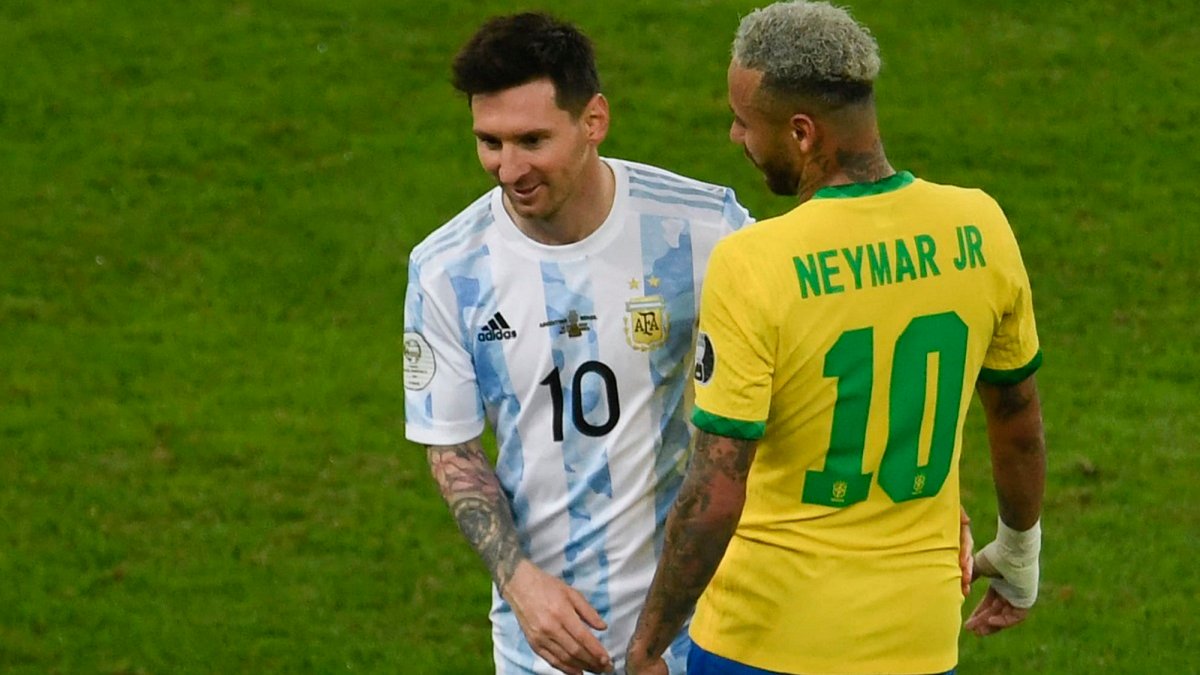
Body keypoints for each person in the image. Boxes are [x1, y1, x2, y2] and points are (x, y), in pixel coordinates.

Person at [626, 2, 1047, 674]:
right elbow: (1017, 419)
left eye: (744, 121)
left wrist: (650, 643)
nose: (735, 136)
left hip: (764, 640)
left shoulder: (755, 262)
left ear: (801, 132)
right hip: (916, 640)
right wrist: (1020, 555)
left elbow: (717, 487)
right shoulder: (980, 226)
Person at [402, 12, 756, 675]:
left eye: (532, 140)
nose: (509, 168)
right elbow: (452, 449)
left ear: (594, 120)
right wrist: (519, 582)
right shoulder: (448, 268)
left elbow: (809, 372)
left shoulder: (705, 229)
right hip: (543, 646)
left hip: (706, 634)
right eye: (489, 142)